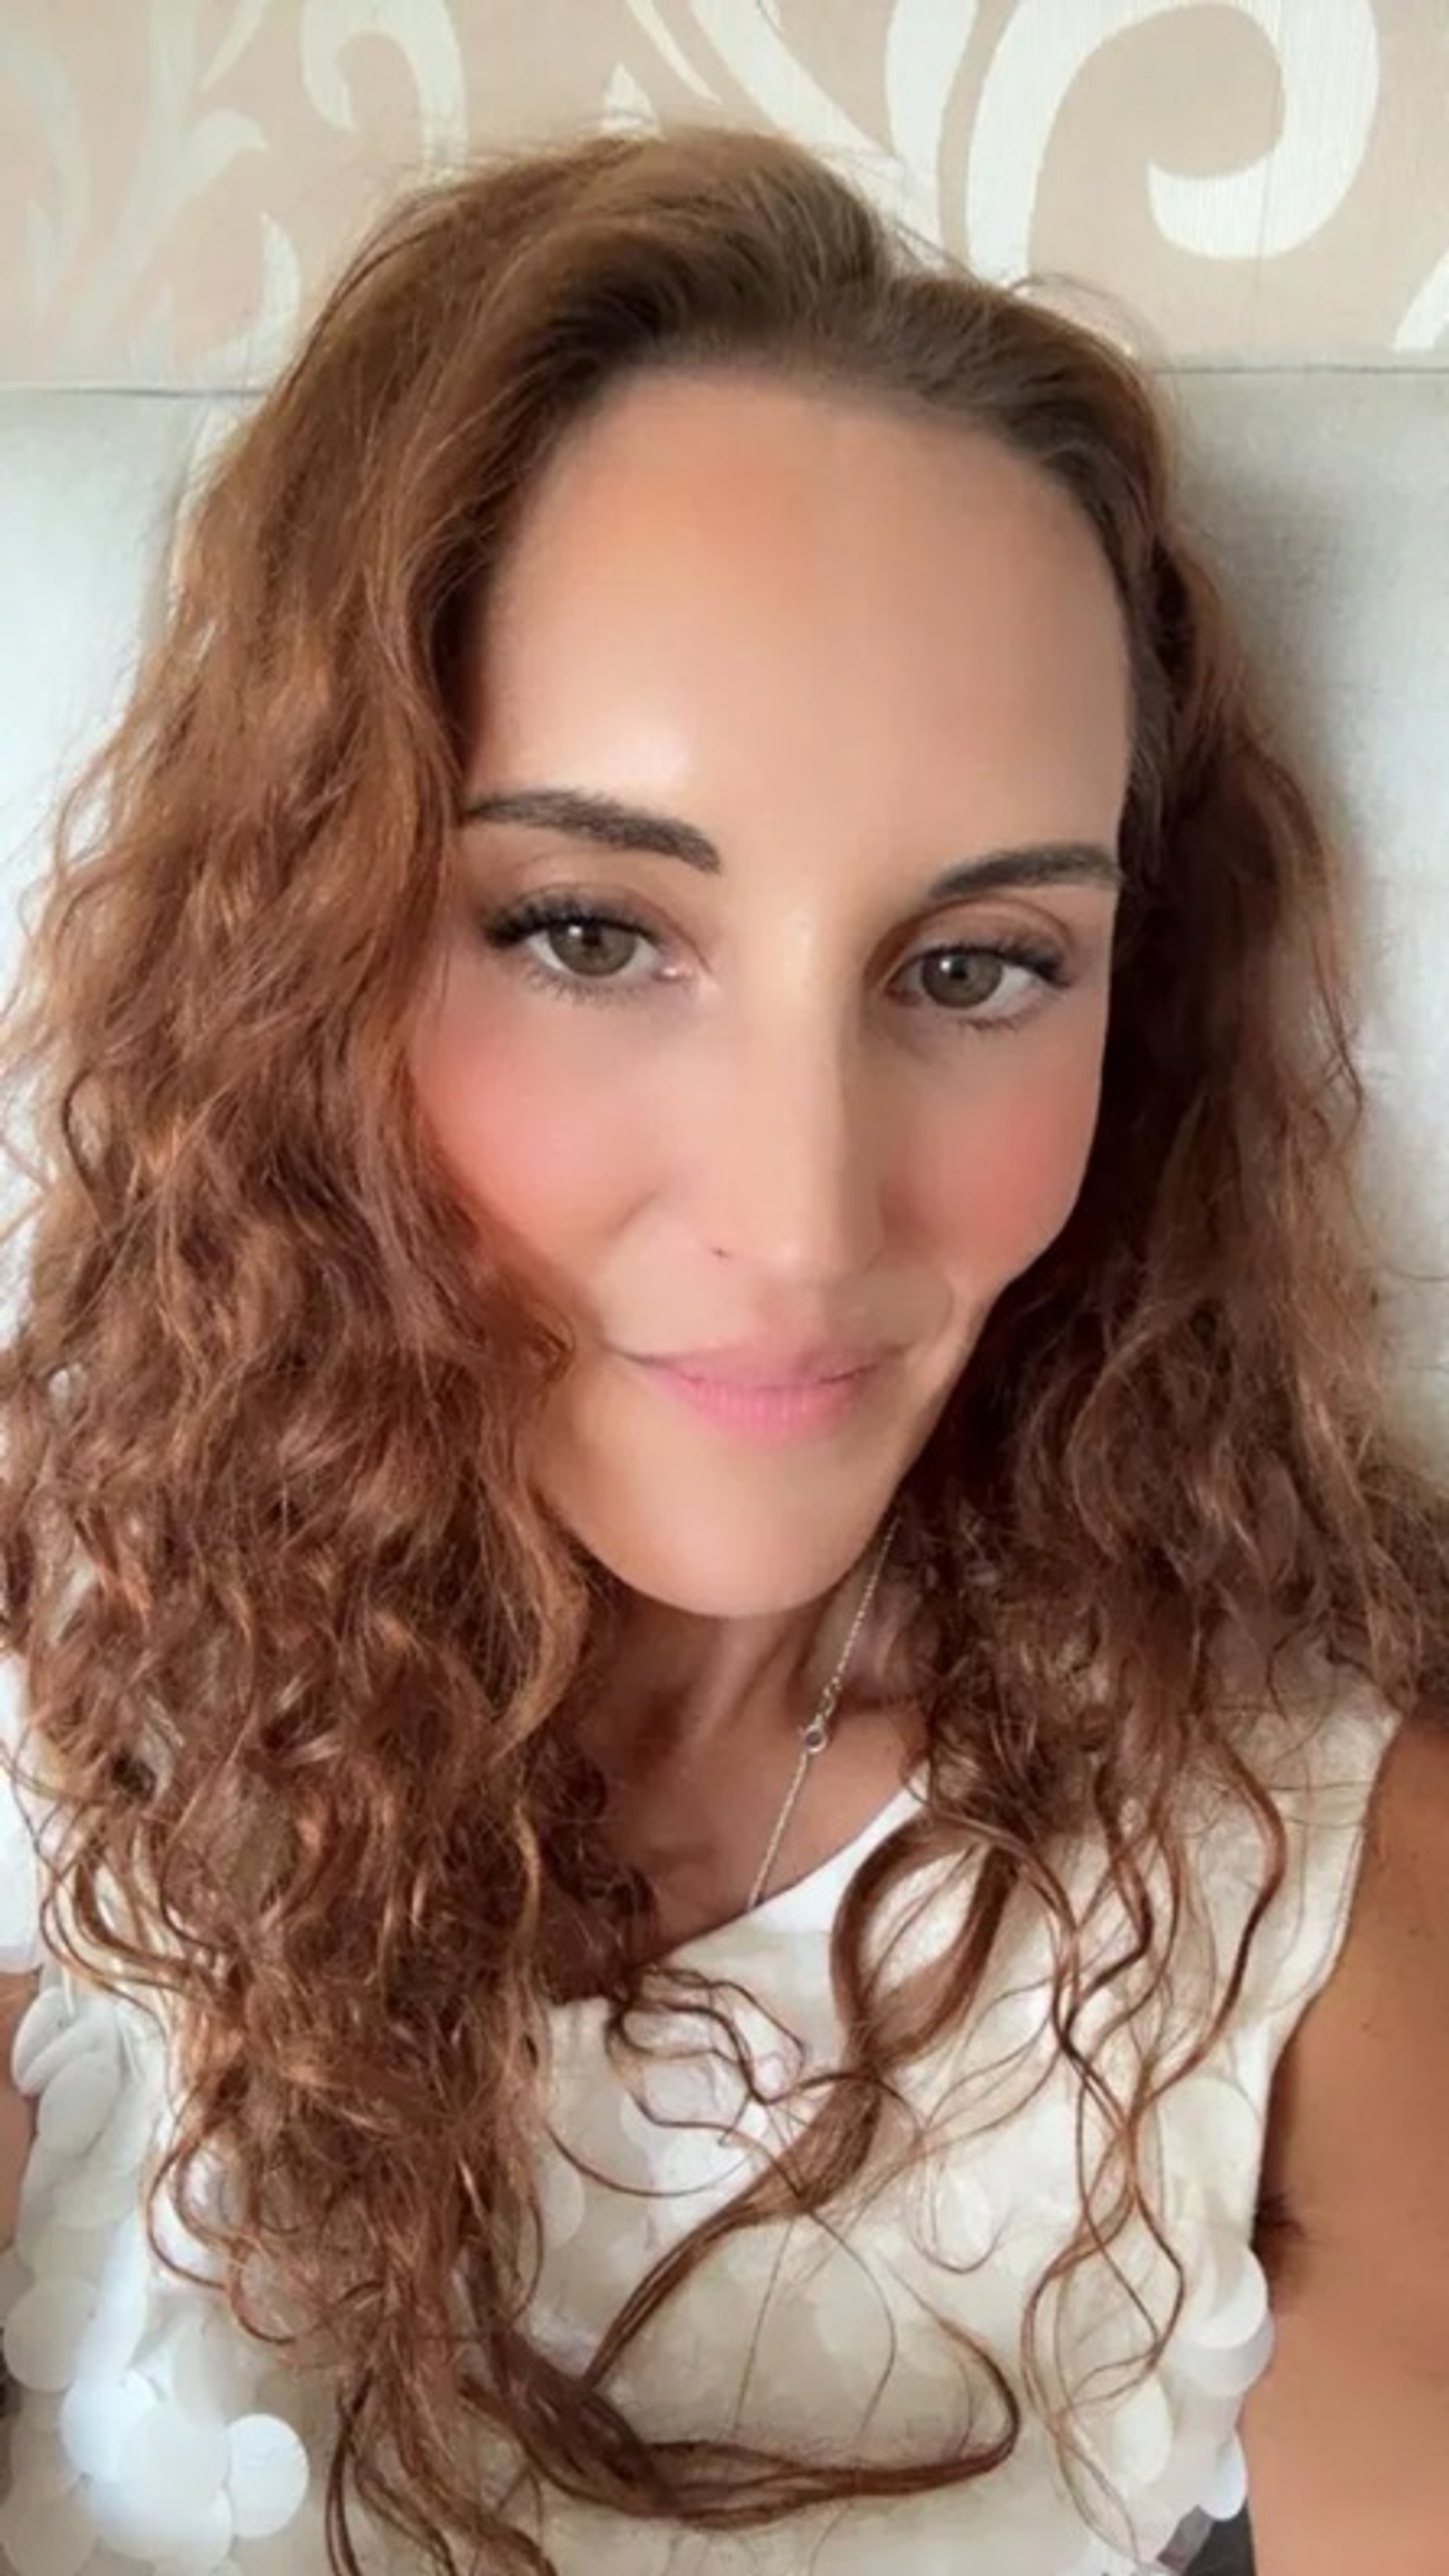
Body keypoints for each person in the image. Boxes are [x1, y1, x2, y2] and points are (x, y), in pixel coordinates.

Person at [1, 120, 1447, 2576]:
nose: (800, 1220)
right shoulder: (68, 1693)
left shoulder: (1312, 1880)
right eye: (587, 932)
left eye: (976, 967)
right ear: (303, 959)